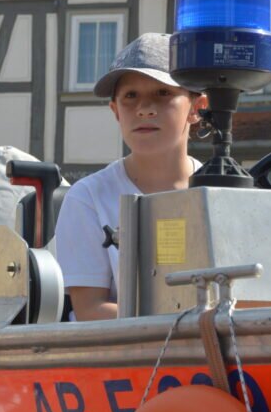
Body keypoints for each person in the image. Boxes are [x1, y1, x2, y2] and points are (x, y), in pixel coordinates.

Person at [55, 33, 206, 321]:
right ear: (115, 111)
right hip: (123, 350)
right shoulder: (87, 198)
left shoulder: (220, 191)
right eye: (130, 96)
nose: (144, 109)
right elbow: (90, 310)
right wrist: (189, 323)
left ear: (197, 108)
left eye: (163, 93)